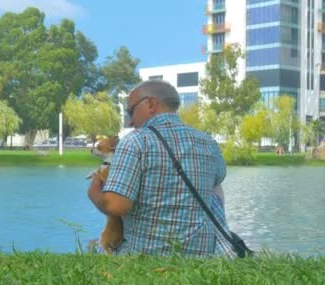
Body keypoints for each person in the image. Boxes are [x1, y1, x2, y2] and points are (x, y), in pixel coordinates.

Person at [88, 80, 230, 256]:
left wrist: (94, 192)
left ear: (151, 104)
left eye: (131, 111)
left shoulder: (135, 141)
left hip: (145, 254)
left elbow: (116, 206)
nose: (131, 121)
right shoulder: (207, 141)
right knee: (214, 185)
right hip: (201, 255)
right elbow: (218, 180)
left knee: (92, 246)